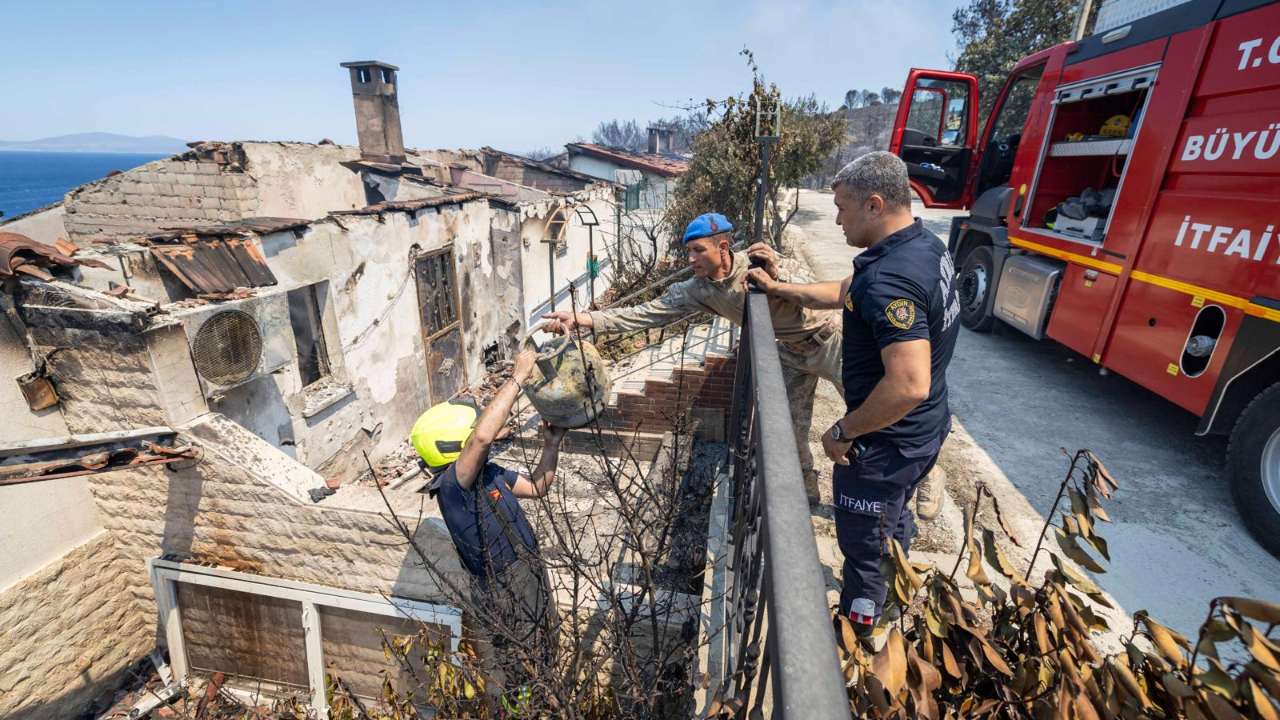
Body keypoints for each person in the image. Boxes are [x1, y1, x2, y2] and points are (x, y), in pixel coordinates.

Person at [744, 152, 960, 633]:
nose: (836, 217)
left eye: (842, 207)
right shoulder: (922, 247)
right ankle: (895, 586)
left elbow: (908, 384)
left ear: (875, 205)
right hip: (925, 430)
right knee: (893, 520)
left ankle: (861, 633)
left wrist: (843, 430)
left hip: (886, 443)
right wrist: (783, 288)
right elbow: (848, 289)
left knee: (862, 547)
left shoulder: (891, 280)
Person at [538, 213, 842, 505]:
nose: (691, 259)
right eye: (689, 251)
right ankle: (807, 484)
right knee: (789, 429)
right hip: (790, 352)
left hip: (829, 339)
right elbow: (644, 314)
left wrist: (777, 275)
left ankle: (874, 498)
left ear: (723, 247)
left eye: (698, 250)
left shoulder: (758, 263)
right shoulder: (698, 289)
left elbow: (814, 286)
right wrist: (584, 318)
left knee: (869, 415)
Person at [410, 348, 567, 694]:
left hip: (529, 575)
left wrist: (551, 445)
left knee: (547, 659)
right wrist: (519, 375)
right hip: (503, 592)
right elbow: (482, 437)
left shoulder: (489, 474)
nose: (486, 434)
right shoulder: (452, 487)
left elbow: (538, 486)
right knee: (524, 680)